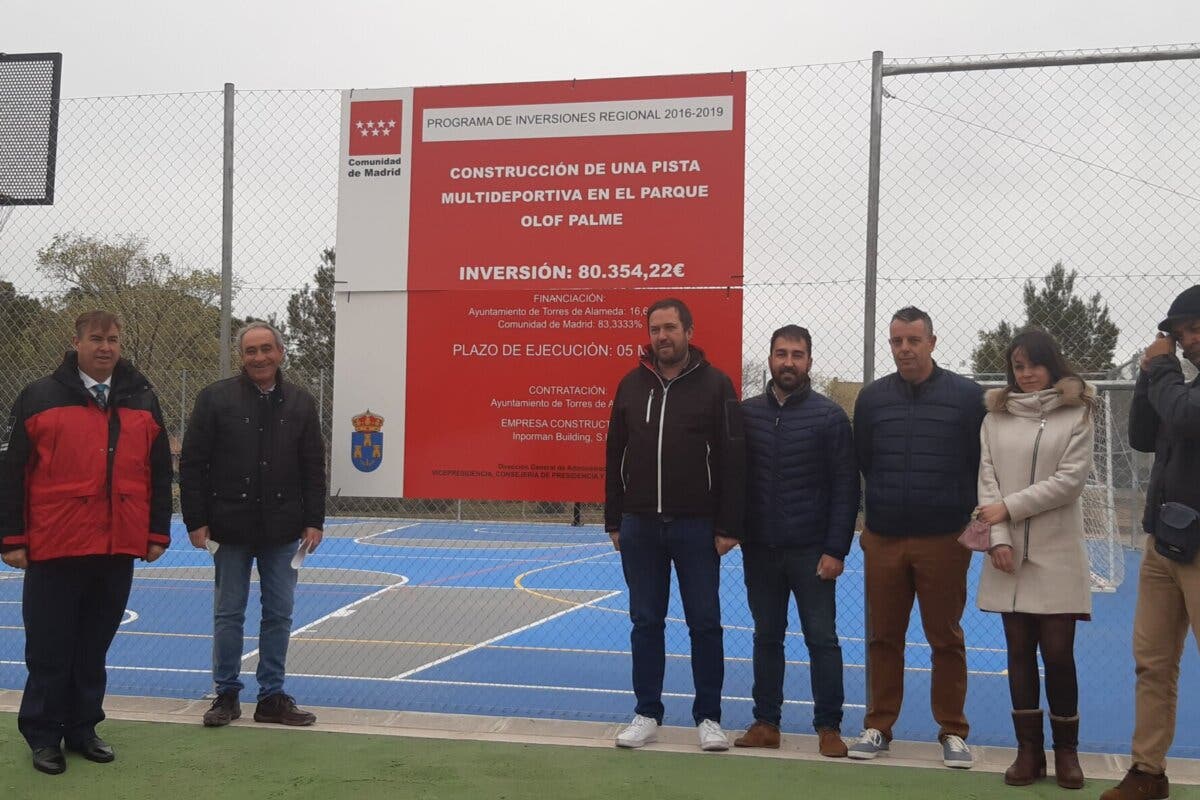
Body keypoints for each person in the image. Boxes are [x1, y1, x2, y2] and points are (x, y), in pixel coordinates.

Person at [0, 311, 172, 775]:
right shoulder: (39, 396)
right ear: (75, 342)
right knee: (50, 646)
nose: (105, 347)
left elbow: (159, 471)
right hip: (55, 544)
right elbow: (13, 471)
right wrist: (12, 538)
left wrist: (157, 532)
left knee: (94, 645)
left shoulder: (141, 396)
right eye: (96, 339)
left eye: (113, 339)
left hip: (116, 545)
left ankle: (82, 729)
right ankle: (43, 735)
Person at [604, 297, 745, 752]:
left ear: (688, 330)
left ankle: (709, 718)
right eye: (655, 329)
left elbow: (732, 459)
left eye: (670, 327)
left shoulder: (717, 386)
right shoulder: (630, 385)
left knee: (705, 623)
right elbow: (614, 455)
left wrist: (728, 525)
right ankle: (647, 713)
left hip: (697, 527)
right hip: (640, 526)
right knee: (645, 621)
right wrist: (614, 519)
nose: (662, 336)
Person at [848, 306, 985, 768]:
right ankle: (879, 726)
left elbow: (978, 463)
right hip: (883, 537)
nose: (904, 349)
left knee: (945, 638)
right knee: (883, 636)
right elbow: (864, 460)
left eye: (913, 340)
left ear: (932, 341)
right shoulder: (871, 399)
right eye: (896, 341)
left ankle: (952, 731)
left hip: (944, 540)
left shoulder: (967, 397)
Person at [180, 321, 325, 728]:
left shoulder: (301, 402)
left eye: (266, 349)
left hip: (283, 530)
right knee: (229, 613)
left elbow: (313, 465)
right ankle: (225, 694)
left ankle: (272, 698)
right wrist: (196, 520)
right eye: (250, 351)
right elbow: (192, 463)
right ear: (241, 356)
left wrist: (314, 520)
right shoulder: (215, 399)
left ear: (280, 352)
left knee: (279, 613)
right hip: (229, 527)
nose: (259, 357)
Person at [975, 328, 1095, 789]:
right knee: (1019, 654)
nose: (1026, 374)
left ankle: (1067, 753)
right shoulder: (994, 418)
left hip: (1057, 553)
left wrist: (1008, 507)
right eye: (1018, 366)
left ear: (1053, 365)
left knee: (1059, 655)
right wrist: (999, 536)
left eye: (1035, 365)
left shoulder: (1077, 412)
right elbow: (987, 482)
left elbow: (1070, 481)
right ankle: (1028, 753)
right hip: (1006, 555)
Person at [734, 325, 857, 757]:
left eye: (798, 354)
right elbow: (734, 482)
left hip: (812, 552)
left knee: (822, 639)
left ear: (809, 361)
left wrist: (835, 549)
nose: (789, 361)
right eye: (782, 353)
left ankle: (829, 727)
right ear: (770, 358)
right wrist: (731, 530)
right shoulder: (746, 414)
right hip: (761, 550)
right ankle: (766, 722)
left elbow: (846, 488)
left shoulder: (829, 416)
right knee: (767, 636)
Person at [1101, 285, 1200, 800]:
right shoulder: (1177, 381)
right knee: (1153, 662)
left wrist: (1161, 370)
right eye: (1181, 332)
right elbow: (1143, 434)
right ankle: (1147, 772)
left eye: (1193, 328)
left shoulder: (1184, 389)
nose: (1186, 340)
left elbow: (1187, 417)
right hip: (1166, 541)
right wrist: (1147, 375)